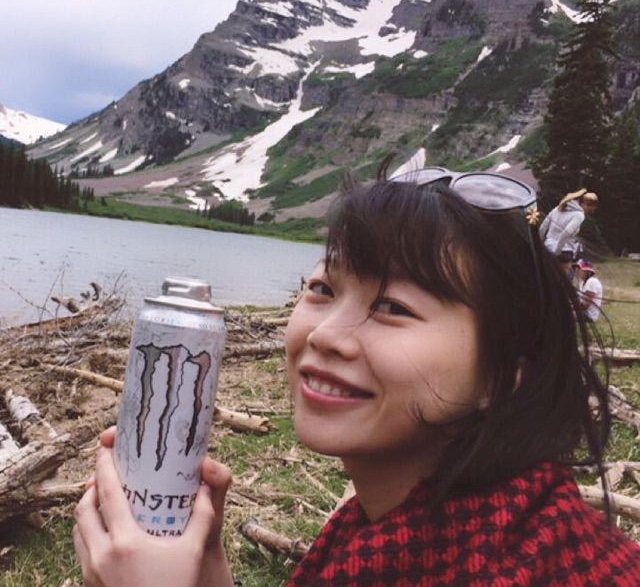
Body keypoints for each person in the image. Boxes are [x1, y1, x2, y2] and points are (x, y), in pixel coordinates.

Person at [73, 166, 640, 587]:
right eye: (322, 289)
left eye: (393, 307)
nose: (325, 334)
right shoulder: (399, 528)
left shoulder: (532, 568)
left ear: (502, 376)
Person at [539, 188, 598, 274]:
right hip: (564, 251)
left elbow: (542, 228)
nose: (589, 211)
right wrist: (557, 251)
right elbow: (566, 233)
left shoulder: (557, 209)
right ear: (584, 204)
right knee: (562, 279)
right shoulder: (579, 215)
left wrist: (540, 245)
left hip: (548, 247)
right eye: (590, 208)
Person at [574, 258, 604, 323]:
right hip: (582, 312)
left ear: (587, 271)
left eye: (579, 268)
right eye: (576, 268)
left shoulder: (592, 281)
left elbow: (586, 305)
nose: (576, 270)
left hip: (589, 315)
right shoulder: (582, 283)